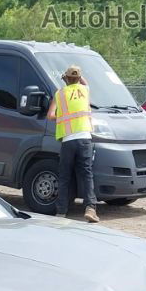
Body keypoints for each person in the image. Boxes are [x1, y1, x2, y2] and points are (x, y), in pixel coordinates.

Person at [46, 65, 99, 223]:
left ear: (66, 79)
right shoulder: (85, 90)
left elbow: (50, 115)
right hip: (85, 139)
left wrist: (61, 117)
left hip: (68, 141)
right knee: (87, 174)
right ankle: (90, 208)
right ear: (79, 78)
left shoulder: (60, 94)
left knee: (64, 177)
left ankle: (61, 212)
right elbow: (84, 81)